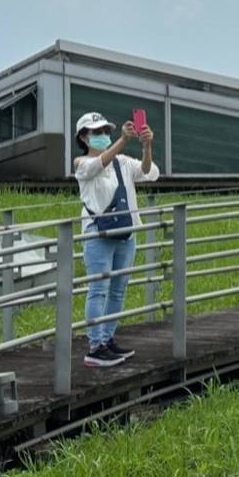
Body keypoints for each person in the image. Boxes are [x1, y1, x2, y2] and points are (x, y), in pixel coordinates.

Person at [73, 111, 159, 368]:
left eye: (105, 132)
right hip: (98, 233)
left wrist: (146, 146)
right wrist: (122, 140)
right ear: (83, 137)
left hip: (125, 232)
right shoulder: (81, 163)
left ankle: (107, 338)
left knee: (118, 289)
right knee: (98, 290)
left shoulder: (121, 162)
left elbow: (148, 172)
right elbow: (95, 165)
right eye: (96, 132)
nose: (102, 136)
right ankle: (95, 345)